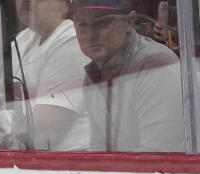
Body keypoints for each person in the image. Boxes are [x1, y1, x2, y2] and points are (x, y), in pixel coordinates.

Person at [70, 0, 183, 151]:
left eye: (103, 22)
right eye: (82, 24)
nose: (91, 35)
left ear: (129, 22)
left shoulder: (155, 66)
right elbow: (99, 148)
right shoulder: (95, 72)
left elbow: (159, 156)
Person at [0, 0, 89, 150]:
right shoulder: (22, 40)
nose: (25, 2)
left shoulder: (73, 40)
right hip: (16, 161)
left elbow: (45, 134)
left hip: (64, 166)